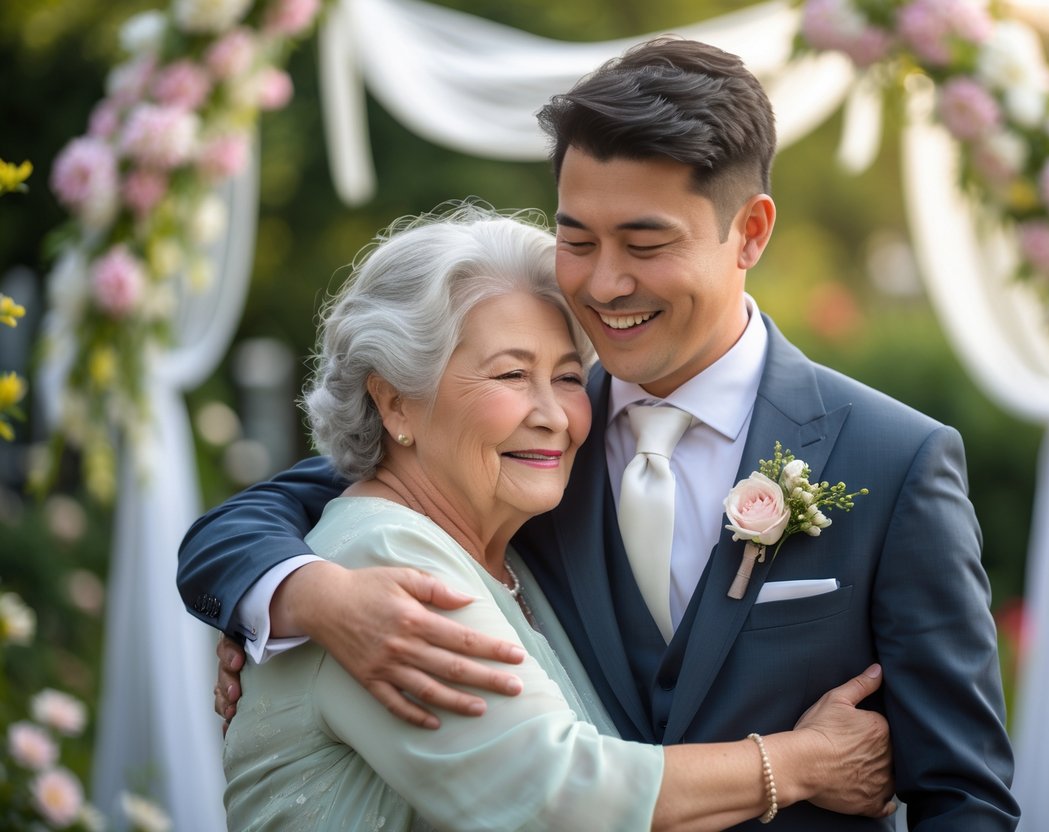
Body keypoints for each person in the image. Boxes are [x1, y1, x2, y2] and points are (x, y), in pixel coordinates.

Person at [181, 37, 1019, 829]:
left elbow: (962, 794)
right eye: (576, 239)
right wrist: (301, 596)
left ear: (750, 233)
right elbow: (284, 510)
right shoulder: (512, 451)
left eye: (645, 242)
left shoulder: (893, 459)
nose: (606, 282)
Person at [220, 202, 894, 829]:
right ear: (395, 404)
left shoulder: (509, 556)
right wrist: (803, 763)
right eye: (511, 376)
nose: (552, 415)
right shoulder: (384, 563)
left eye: (568, 377)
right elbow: (556, 791)